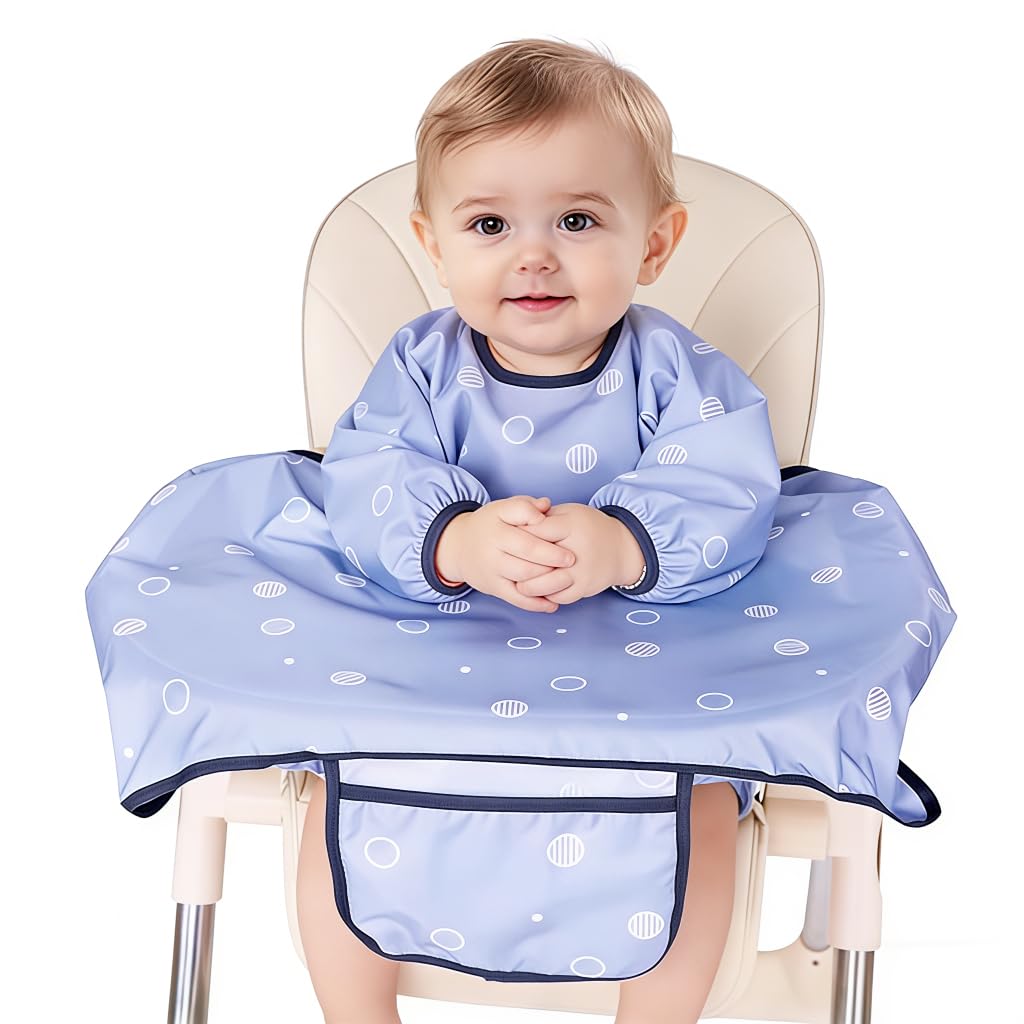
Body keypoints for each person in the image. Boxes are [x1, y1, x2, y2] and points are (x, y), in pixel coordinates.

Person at [297, 36, 780, 1024]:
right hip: (438, 665)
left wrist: (624, 541)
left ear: (655, 244)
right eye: (489, 223)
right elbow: (366, 473)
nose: (534, 254)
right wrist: (453, 540)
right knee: (340, 783)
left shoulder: (676, 373)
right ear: (434, 245)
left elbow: (731, 482)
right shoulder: (422, 367)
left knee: (700, 805)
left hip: (648, 673)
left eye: (577, 219)